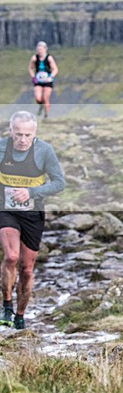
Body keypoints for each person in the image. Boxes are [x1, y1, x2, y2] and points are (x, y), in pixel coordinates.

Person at [0, 111, 65, 330]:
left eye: (27, 135)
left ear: (34, 133)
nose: (22, 140)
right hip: (6, 210)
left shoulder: (44, 151)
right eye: (18, 134)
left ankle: (20, 315)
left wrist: (31, 192)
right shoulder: (2, 148)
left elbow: (59, 183)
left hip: (33, 214)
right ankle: (6, 305)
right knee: (11, 256)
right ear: (11, 131)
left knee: (26, 268)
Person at [28, 41, 59, 119]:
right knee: (38, 98)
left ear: (45, 49)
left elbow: (55, 69)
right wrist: (33, 77)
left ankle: (46, 115)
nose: (40, 51)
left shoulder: (49, 58)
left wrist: (51, 77)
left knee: (45, 98)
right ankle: (41, 106)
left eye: (41, 50)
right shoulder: (34, 58)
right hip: (38, 80)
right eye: (38, 50)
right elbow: (30, 68)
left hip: (47, 81)